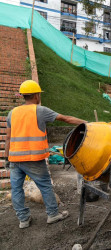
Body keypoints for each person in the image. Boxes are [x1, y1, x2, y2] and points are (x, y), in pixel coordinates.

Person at [4, 80, 87, 229]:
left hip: (15, 159)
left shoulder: (12, 113)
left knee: (16, 189)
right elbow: (66, 118)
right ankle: (53, 214)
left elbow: (8, 138)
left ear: (23, 96)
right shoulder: (40, 110)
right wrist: (88, 123)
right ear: (36, 95)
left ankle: (23, 220)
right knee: (45, 186)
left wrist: (6, 157)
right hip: (33, 159)